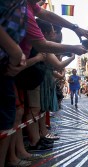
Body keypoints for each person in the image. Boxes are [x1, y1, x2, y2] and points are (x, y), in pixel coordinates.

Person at [0, 1, 28, 166]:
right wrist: (16, 51)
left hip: (6, 65)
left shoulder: (23, 5)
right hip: (6, 61)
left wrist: (19, 54)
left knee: (6, 119)